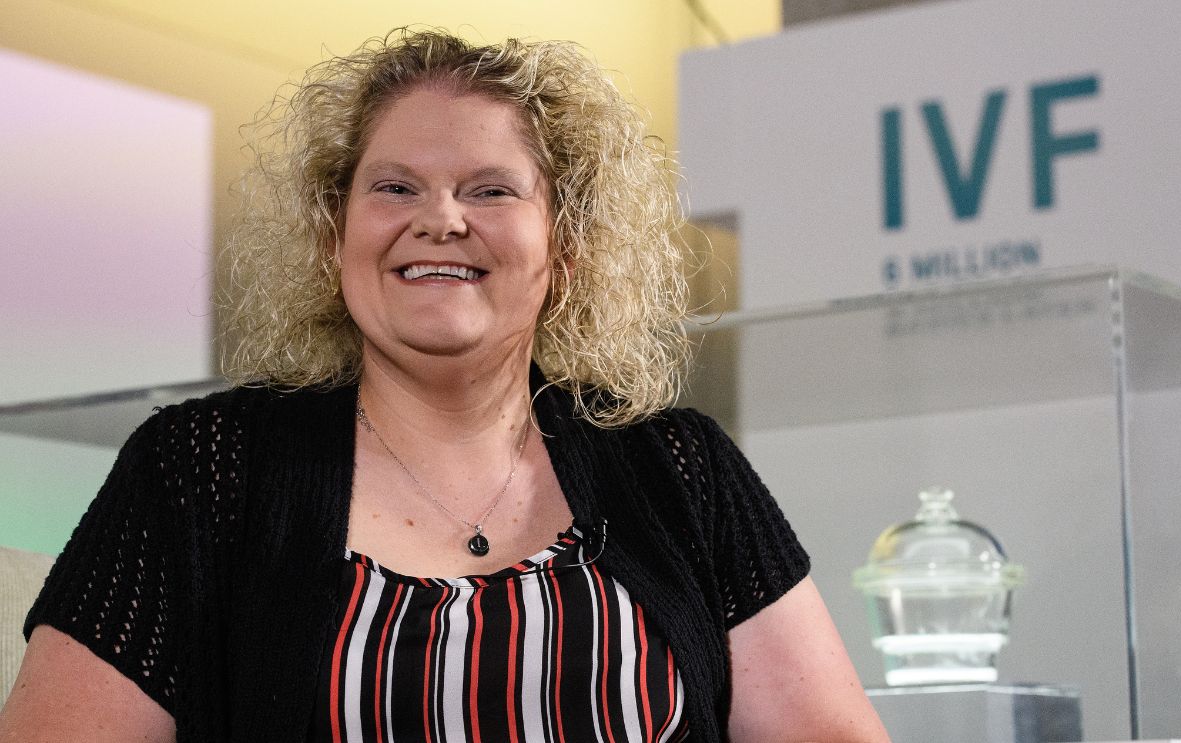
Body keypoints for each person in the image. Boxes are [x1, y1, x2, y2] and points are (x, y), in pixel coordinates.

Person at [0, 29, 890, 743]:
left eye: (491, 189)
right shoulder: (200, 470)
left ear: (565, 251)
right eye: (394, 186)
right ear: (331, 237)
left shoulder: (680, 465)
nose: (440, 219)